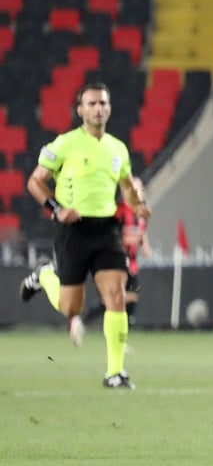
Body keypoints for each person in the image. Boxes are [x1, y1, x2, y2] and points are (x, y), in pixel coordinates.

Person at [18, 82, 150, 389]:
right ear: (81, 110)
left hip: (107, 229)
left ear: (109, 108)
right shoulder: (65, 144)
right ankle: (44, 276)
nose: (98, 108)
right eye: (91, 104)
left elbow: (128, 188)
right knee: (71, 308)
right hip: (74, 230)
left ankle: (114, 373)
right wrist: (56, 210)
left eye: (102, 103)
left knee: (115, 295)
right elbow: (35, 181)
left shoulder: (118, 148)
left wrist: (138, 206)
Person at [84, 176, 150, 327]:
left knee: (130, 297)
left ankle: (122, 330)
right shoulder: (118, 211)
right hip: (114, 261)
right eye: (135, 189)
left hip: (130, 263)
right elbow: (109, 237)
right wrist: (127, 240)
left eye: (140, 189)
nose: (139, 193)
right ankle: (84, 320)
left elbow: (142, 231)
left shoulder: (141, 213)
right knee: (114, 299)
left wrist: (145, 245)